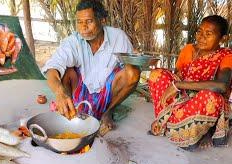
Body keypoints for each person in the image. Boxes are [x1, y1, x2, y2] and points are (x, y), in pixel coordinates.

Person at [41, 0, 140, 136]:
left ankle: (108, 112)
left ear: (102, 20)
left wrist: (135, 58)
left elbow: (130, 73)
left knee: (133, 72)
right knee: (66, 71)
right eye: (79, 22)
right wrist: (60, 93)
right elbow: (52, 69)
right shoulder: (73, 41)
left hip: (108, 93)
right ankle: (71, 112)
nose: (83, 27)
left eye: (89, 21)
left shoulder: (118, 37)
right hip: (81, 91)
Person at [148, 15, 232, 151]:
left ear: (223, 39)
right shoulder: (188, 50)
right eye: (199, 31)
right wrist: (176, 83)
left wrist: (178, 85)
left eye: (208, 34)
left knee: (211, 98)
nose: (201, 37)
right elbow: (176, 75)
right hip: (182, 99)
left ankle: (201, 132)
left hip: (202, 102)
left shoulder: (226, 55)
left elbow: (221, 86)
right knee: (157, 75)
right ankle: (169, 123)